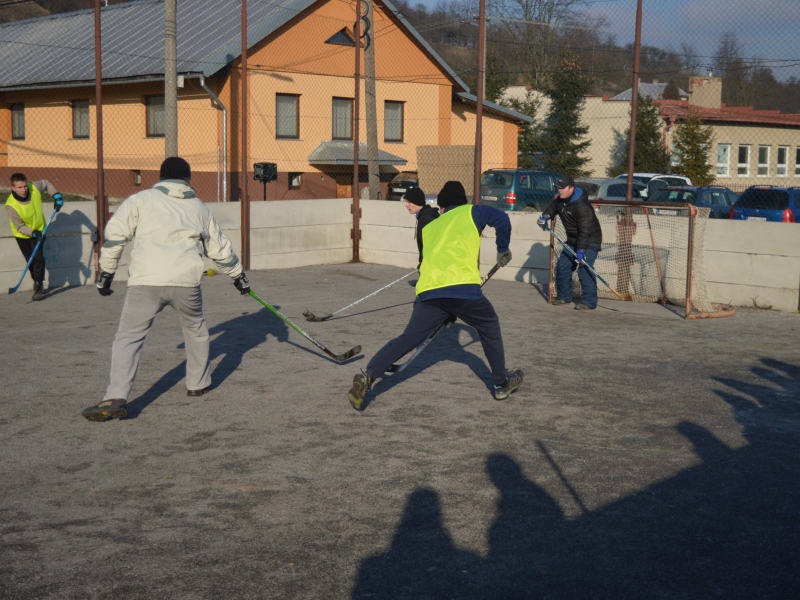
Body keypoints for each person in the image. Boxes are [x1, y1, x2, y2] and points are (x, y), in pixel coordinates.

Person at [82, 157, 251, 422]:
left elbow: (116, 237)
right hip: (186, 283)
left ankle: (115, 395)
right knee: (196, 329)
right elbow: (218, 248)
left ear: (161, 177)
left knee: (128, 337)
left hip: (145, 283)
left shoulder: (140, 200)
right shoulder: (199, 207)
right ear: (187, 179)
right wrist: (238, 276)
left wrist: (106, 273)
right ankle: (198, 383)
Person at [348, 180, 523, 411]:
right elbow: (502, 218)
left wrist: (445, 311)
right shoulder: (473, 211)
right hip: (463, 289)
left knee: (408, 338)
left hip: (429, 292)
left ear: (442, 207)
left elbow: (428, 263)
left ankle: (368, 374)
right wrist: (503, 248)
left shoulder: (431, 227)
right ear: (463, 201)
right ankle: (501, 383)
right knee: (489, 326)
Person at [537, 175, 603, 310]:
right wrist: (544, 217)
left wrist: (581, 250)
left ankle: (589, 302)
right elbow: (551, 210)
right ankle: (564, 297)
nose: (559, 190)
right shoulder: (560, 201)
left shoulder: (583, 206)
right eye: (558, 188)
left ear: (571, 189)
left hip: (590, 240)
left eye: (562, 188)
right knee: (562, 266)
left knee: (584, 269)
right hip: (572, 240)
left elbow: (585, 231)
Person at [5, 172, 64, 300]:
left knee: (38, 257)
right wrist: (33, 232)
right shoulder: (10, 205)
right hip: (22, 234)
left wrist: (56, 195)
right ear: (13, 188)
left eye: (25, 186)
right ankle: (36, 279)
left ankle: (39, 285)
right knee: (30, 260)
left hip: (39, 229)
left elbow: (46, 183)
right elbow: (20, 226)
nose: (24, 190)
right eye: (19, 187)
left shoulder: (34, 187)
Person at [403, 187, 439, 268]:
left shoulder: (425, 220)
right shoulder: (427, 216)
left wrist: (422, 266)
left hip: (430, 266)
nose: (406, 205)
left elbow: (429, 247)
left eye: (408, 202)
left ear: (416, 201)